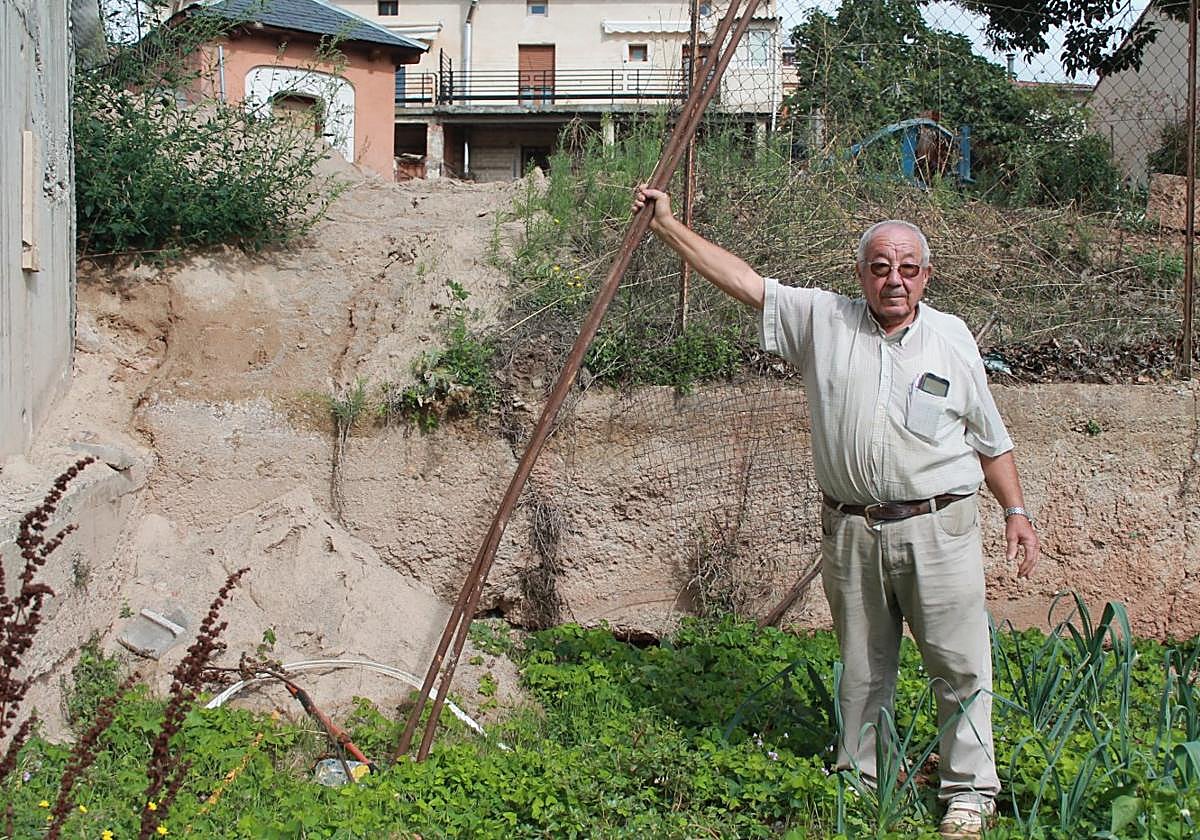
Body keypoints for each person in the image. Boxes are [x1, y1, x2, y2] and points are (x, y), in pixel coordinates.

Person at [632, 185, 1039, 839]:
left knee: (960, 665)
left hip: (940, 526)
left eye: (907, 267)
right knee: (861, 665)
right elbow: (744, 282)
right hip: (853, 529)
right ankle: (860, 780)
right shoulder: (824, 319)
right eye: (880, 267)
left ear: (926, 276)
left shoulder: (951, 340)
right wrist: (667, 227)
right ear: (861, 275)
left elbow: (991, 438)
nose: (894, 279)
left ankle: (967, 795)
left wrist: (1016, 510)